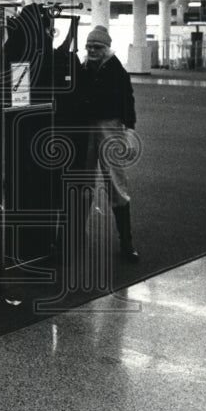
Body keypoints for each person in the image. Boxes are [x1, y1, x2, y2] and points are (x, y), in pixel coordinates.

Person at [76, 25, 140, 263]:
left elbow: (128, 102)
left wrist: (130, 130)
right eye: (89, 46)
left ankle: (127, 242)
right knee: (83, 182)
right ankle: (77, 236)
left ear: (106, 48)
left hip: (110, 128)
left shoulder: (117, 71)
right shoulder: (82, 69)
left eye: (97, 47)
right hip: (85, 128)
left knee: (115, 182)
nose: (92, 50)